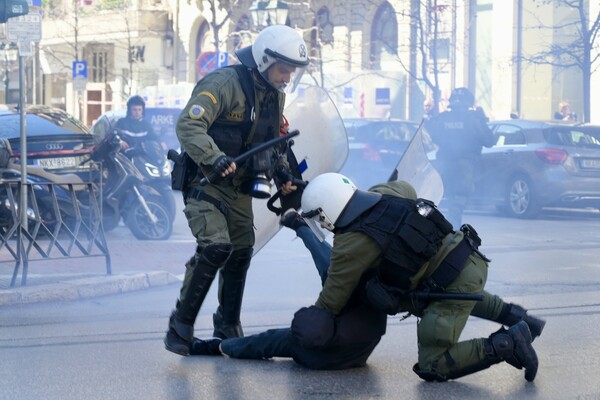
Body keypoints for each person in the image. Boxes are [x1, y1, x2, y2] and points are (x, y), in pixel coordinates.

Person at [189, 173, 545, 381]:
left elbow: (330, 299)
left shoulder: (349, 247)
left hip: (445, 284)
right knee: (429, 295)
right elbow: (403, 186)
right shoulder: (384, 196)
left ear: (327, 213)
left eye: (323, 218)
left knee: (433, 364)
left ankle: (508, 343)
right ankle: (518, 317)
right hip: (467, 258)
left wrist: (311, 320)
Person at [163, 24, 309, 356]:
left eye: (291, 71)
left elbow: (274, 140)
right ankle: (179, 328)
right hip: (207, 183)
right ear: (265, 59)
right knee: (216, 246)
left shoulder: (275, 93)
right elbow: (189, 124)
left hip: (240, 187)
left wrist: (285, 174)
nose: (287, 77)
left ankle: (228, 325)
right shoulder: (225, 83)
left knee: (241, 250)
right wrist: (214, 158)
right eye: (283, 69)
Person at [424, 87, 495, 228]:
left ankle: (437, 226)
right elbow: (489, 141)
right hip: (464, 165)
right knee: (458, 200)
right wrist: (482, 119)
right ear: (469, 102)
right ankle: (451, 229)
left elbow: (432, 135)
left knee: (441, 197)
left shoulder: (442, 118)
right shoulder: (474, 119)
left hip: (444, 163)